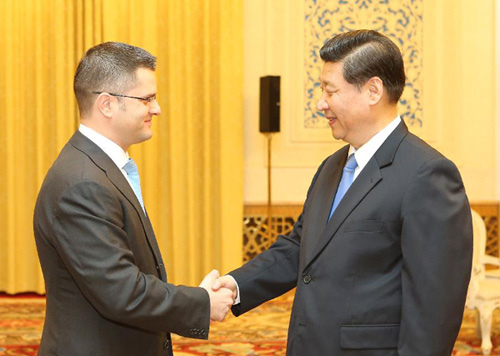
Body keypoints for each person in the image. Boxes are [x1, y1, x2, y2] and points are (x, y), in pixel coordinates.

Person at [214, 30, 473, 355]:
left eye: (330, 90)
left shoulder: (427, 174)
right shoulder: (331, 166)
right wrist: (237, 286)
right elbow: (300, 248)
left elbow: (435, 309)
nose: (321, 103)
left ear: (373, 90)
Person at [33, 42, 234, 356]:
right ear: (107, 104)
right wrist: (202, 302)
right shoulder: (83, 183)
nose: (157, 109)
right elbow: (121, 291)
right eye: (147, 99)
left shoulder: (98, 167)